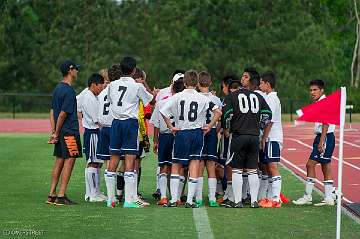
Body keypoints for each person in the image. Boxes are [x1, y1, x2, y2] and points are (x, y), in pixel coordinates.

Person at [160, 69, 222, 208]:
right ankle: (189, 200)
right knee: (194, 163)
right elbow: (218, 112)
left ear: (185, 82)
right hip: (196, 133)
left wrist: (171, 126)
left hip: (181, 132)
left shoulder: (177, 96)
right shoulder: (204, 98)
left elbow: (162, 111)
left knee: (176, 164)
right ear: (196, 82)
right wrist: (210, 125)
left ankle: (174, 199)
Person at [105, 57, 153, 208]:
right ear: (133, 70)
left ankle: (111, 199)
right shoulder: (137, 86)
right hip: (130, 124)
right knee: (130, 161)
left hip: (116, 123)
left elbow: (110, 100)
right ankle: (129, 200)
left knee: (113, 159)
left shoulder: (112, 85)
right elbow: (150, 101)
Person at [222, 73, 272, 208]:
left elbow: (226, 115)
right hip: (254, 136)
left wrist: (227, 128)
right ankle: (254, 201)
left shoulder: (232, 97)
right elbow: (268, 114)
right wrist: (258, 125)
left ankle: (237, 201)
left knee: (237, 169)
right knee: (252, 169)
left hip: (239, 135)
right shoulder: (258, 96)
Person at [293, 79, 336, 206]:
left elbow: (326, 123)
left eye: (315, 90)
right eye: (311, 90)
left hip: (325, 136)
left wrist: (321, 141)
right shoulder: (320, 102)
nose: (312, 92)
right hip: (323, 137)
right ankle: (328, 198)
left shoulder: (324, 102)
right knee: (325, 166)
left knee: (310, 164)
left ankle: (308, 196)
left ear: (322, 90)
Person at [47, 59, 82, 205]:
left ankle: (52, 194)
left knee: (59, 160)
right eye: (76, 69)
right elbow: (62, 114)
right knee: (69, 160)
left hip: (61, 132)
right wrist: (57, 133)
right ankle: (61, 195)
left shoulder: (57, 88)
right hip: (69, 131)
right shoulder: (68, 90)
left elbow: (52, 111)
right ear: (70, 70)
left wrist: (55, 131)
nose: (77, 72)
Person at [150, 74, 185, 205]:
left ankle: (164, 197)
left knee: (164, 166)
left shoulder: (162, 101)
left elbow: (156, 123)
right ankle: (176, 198)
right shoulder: (184, 101)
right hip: (180, 136)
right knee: (178, 166)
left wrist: (155, 140)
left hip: (165, 136)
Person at [195, 71, 223, 207]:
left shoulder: (195, 97)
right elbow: (220, 116)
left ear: (198, 84)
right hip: (211, 132)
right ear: (210, 83)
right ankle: (212, 198)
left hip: (199, 131)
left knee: (199, 164)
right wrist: (214, 128)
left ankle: (199, 197)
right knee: (211, 166)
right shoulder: (216, 99)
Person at [258, 71, 283, 208]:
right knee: (267, 167)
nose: (260, 85)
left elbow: (270, 121)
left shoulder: (272, 99)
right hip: (269, 138)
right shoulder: (268, 97)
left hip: (272, 137)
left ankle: (276, 199)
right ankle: (269, 197)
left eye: (261, 83)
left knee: (273, 167)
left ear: (267, 84)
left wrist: (264, 138)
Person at [82, 73, 106, 202]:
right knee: (92, 162)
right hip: (92, 133)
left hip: (96, 133)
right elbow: (96, 119)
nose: (102, 87)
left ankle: (95, 191)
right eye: (100, 85)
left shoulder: (94, 97)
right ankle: (91, 194)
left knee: (98, 163)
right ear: (93, 85)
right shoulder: (88, 98)